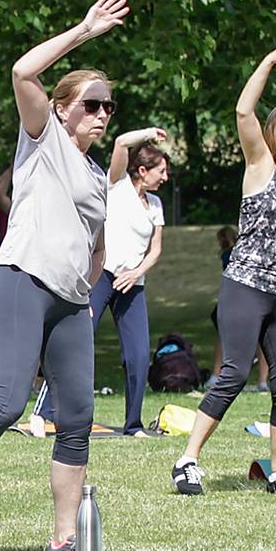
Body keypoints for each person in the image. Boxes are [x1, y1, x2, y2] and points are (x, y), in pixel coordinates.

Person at [0, 0, 160, 551]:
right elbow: (23, 71)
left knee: (77, 417)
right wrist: (84, 29)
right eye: (91, 103)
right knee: (6, 402)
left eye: (108, 106)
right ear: (62, 107)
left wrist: (87, 289)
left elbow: (98, 244)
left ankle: (65, 538)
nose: (101, 113)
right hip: (21, 280)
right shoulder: (42, 138)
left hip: (71, 302)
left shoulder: (96, 174)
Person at [179, 36, 276, 495]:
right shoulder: (261, 165)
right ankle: (187, 460)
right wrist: (269, 60)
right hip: (245, 285)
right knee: (235, 373)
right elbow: (244, 111)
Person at [95, 143, 167, 435]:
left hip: (132, 284)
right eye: (161, 171)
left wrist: (137, 272)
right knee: (77, 340)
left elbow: (156, 249)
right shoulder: (118, 185)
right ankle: (47, 412)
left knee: (138, 355)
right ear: (143, 170)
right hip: (102, 276)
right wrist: (150, 135)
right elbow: (121, 143)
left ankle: (133, 424)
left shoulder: (156, 204)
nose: (165, 177)